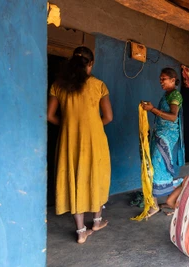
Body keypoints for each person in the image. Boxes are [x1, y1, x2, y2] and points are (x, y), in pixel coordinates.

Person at [47, 46, 113, 243]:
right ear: (90, 64)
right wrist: (90, 127)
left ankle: (81, 232)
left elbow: (50, 116)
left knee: (74, 178)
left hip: (69, 141)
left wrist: (70, 126)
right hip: (94, 140)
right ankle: (97, 221)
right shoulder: (99, 85)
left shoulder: (58, 85)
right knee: (96, 176)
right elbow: (108, 117)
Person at [141, 68, 185, 218]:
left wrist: (153, 109)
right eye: (160, 79)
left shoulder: (175, 95)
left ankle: (167, 199)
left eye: (164, 79)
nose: (161, 82)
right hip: (160, 133)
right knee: (154, 166)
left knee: (156, 164)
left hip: (167, 135)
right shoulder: (166, 95)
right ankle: (160, 202)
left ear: (173, 80)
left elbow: (173, 117)